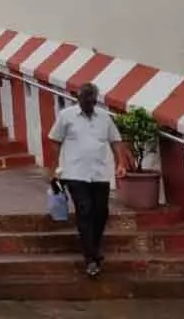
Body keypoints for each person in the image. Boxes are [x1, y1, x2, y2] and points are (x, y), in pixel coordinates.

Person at [48, 82, 131, 278]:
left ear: (95, 101)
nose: (87, 104)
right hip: (74, 172)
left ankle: (93, 246)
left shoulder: (104, 118)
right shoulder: (66, 116)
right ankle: (91, 258)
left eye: (90, 101)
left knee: (101, 212)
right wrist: (54, 169)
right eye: (84, 101)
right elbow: (55, 142)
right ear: (78, 100)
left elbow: (115, 141)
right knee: (84, 209)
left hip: (100, 173)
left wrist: (120, 163)